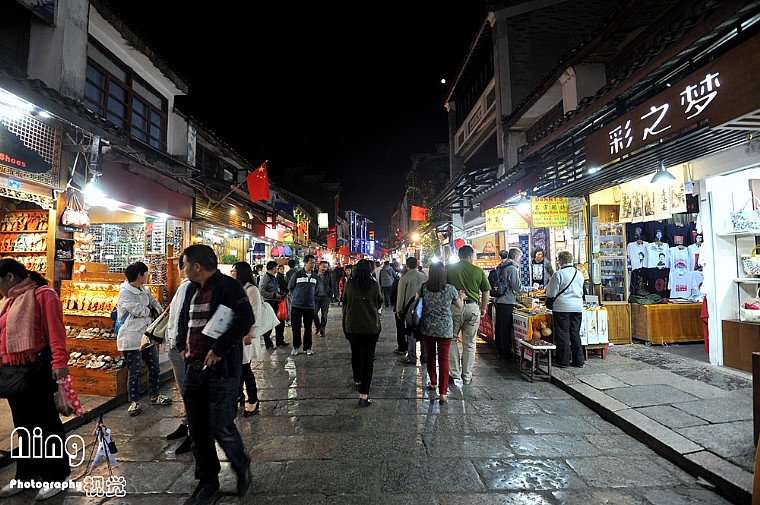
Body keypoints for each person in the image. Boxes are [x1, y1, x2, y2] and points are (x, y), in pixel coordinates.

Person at [176, 244, 254, 503]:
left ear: (197, 266)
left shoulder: (229, 287)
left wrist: (219, 348)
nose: (183, 269)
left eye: (185, 264)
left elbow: (245, 319)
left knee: (221, 426)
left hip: (221, 370)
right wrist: (181, 345)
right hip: (193, 369)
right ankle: (208, 481)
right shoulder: (190, 289)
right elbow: (184, 319)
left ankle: (241, 464)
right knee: (197, 430)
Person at [0, 259, 71, 500]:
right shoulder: (9, 300)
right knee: (23, 425)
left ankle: (57, 474)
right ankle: (27, 474)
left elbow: (56, 332)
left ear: (10, 277)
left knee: (46, 423)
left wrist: (60, 364)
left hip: (38, 369)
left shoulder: (43, 295)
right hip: (14, 371)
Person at [117, 261, 172, 417]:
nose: (148, 276)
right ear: (139, 275)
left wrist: (157, 310)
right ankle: (134, 402)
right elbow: (138, 310)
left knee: (154, 367)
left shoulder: (144, 289)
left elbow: (154, 304)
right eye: (146, 274)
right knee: (134, 371)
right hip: (131, 337)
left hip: (146, 336)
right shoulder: (125, 292)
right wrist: (151, 311)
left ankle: (154, 395)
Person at [419, 261, 464, 403]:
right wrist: (461, 297)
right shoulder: (450, 289)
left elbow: (417, 302)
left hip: (428, 327)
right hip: (445, 328)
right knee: (444, 359)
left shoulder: (424, 287)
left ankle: (433, 382)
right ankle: (443, 392)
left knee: (430, 355)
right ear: (443, 273)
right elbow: (460, 306)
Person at [446, 245, 490, 385]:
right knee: (470, 343)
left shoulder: (449, 269)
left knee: (452, 340)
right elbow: (486, 291)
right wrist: (483, 308)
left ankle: (454, 373)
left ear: (459, 256)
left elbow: (444, 288)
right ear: (471, 256)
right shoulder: (478, 271)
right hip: (472, 307)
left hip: (454, 307)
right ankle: (467, 376)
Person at [341, 258, 382, 407]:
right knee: (368, 359)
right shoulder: (374, 285)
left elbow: (344, 299)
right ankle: (364, 395)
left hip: (352, 326)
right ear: (370, 270)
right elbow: (379, 301)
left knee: (356, 354)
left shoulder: (349, 284)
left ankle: (358, 380)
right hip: (370, 326)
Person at [165, 258, 193, 454]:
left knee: (188, 391)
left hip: (181, 347)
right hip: (178, 344)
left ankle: (193, 431)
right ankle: (187, 423)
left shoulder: (189, 287)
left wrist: (177, 343)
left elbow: (182, 318)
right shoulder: (186, 286)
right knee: (186, 391)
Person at [231, 262, 261, 417]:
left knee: (245, 369)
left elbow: (255, 315)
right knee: (238, 368)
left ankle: (253, 400)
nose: (231, 273)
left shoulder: (252, 290)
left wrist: (248, 335)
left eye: (233, 271)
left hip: (246, 336)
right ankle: (239, 396)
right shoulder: (238, 288)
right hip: (236, 336)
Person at [545, 250, 585, 368]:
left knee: (562, 333)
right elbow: (582, 291)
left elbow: (551, 293)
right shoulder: (579, 274)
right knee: (575, 333)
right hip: (577, 307)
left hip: (562, 307)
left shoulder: (558, 274)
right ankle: (579, 360)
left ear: (561, 261)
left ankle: (563, 361)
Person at [494, 248, 526, 361]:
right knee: (505, 329)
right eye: (519, 258)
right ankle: (506, 354)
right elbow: (517, 287)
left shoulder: (502, 266)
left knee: (499, 327)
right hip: (507, 301)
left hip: (498, 300)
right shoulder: (512, 268)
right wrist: (529, 289)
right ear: (516, 257)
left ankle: (499, 351)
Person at [395, 256, 428, 364]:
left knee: (411, 331)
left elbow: (401, 295)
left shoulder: (404, 278)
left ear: (407, 265)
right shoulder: (424, 276)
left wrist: (399, 309)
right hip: (423, 307)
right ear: (417, 264)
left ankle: (412, 356)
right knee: (423, 330)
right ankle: (424, 356)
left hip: (410, 308)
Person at [287, 254, 318, 355]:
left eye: (314, 263)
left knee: (308, 328)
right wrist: (297, 296)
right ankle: (296, 346)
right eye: (311, 262)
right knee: (296, 327)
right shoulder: (297, 274)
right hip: (297, 305)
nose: (313, 265)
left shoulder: (315, 276)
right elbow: (290, 287)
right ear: (305, 263)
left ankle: (307, 347)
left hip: (309, 306)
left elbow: (316, 289)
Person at [259, 261, 288, 348]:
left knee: (280, 322)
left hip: (277, 302)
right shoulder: (265, 278)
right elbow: (262, 291)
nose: (277, 269)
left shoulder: (274, 277)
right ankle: (268, 344)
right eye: (276, 267)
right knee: (269, 323)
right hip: (270, 303)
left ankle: (280, 341)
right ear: (273, 268)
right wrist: (273, 295)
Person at [312, 260, 333, 337]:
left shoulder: (329, 274)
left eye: (326, 267)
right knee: (314, 313)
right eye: (323, 266)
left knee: (324, 315)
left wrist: (331, 295)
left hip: (325, 297)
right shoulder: (314, 273)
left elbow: (332, 284)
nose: (324, 268)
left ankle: (322, 329)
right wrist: (317, 276)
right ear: (319, 266)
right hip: (316, 296)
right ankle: (318, 326)